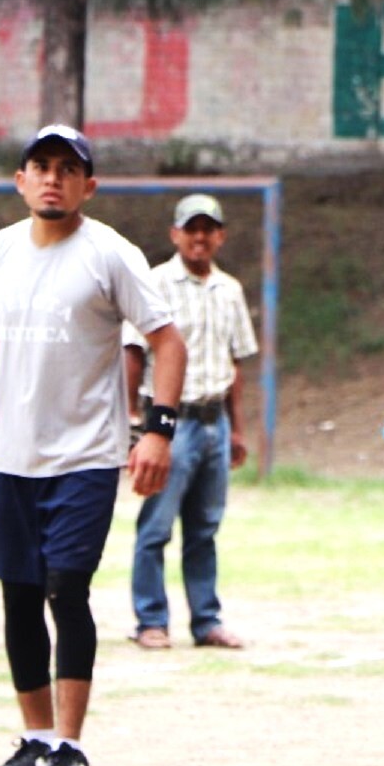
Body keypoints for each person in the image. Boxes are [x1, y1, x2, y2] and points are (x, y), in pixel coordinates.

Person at [0, 124, 186, 766]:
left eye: (67, 169)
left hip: (85, 456)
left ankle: (71, 748)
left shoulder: (111, 254)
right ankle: (37, 738)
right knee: (18, 595)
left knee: (65, 588)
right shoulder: (1, 248)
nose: (53, 177)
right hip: (12, 458)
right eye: (40, 166)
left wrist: (157, 431)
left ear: (88, 185)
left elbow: (167, 343)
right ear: (20, 181)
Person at [123, 193, 257, 651]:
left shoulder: (230, 290)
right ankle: (151, 619)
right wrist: (134, 421)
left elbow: (236, 363)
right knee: (156, 525)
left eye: (208, 229)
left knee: (205, 526)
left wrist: (236, 428)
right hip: (169, 424)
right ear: (175, 234)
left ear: (219, 236)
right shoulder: (154, 283)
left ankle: (206, 620)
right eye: (191, 228)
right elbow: (134, 352)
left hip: (213, 419)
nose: (199, 237)